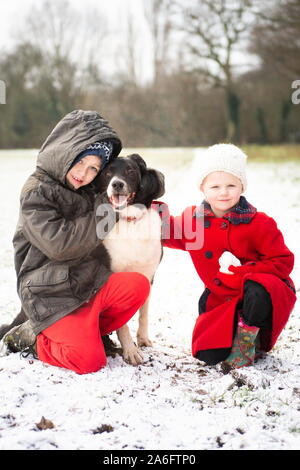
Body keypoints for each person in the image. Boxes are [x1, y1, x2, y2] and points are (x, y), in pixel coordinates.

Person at [3, 109, 150, 374]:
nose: (84, 173)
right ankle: (31, 338)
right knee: (89, 361)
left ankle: (91, 330)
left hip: (86, 284)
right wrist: (109, 213)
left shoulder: (88, 188)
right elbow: (61, 245)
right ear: (65, 150)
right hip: (50, 294)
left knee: (138, 287)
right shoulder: (37, 192)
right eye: (81, 161)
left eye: (94, 168)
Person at [153, 143, 297, 370]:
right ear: (203, 188)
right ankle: (232, 334)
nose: (223, 192)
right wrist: (143, 205)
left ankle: (247, 342)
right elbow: (166, 230)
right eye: (215, 186)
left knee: (258, 289)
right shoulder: (193, 221)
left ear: (242, 186)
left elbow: (283, 260)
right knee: (209, 355)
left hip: (260, 292)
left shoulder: (259, 223)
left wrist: (244, 272)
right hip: (222, 297)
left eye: (231, 185)